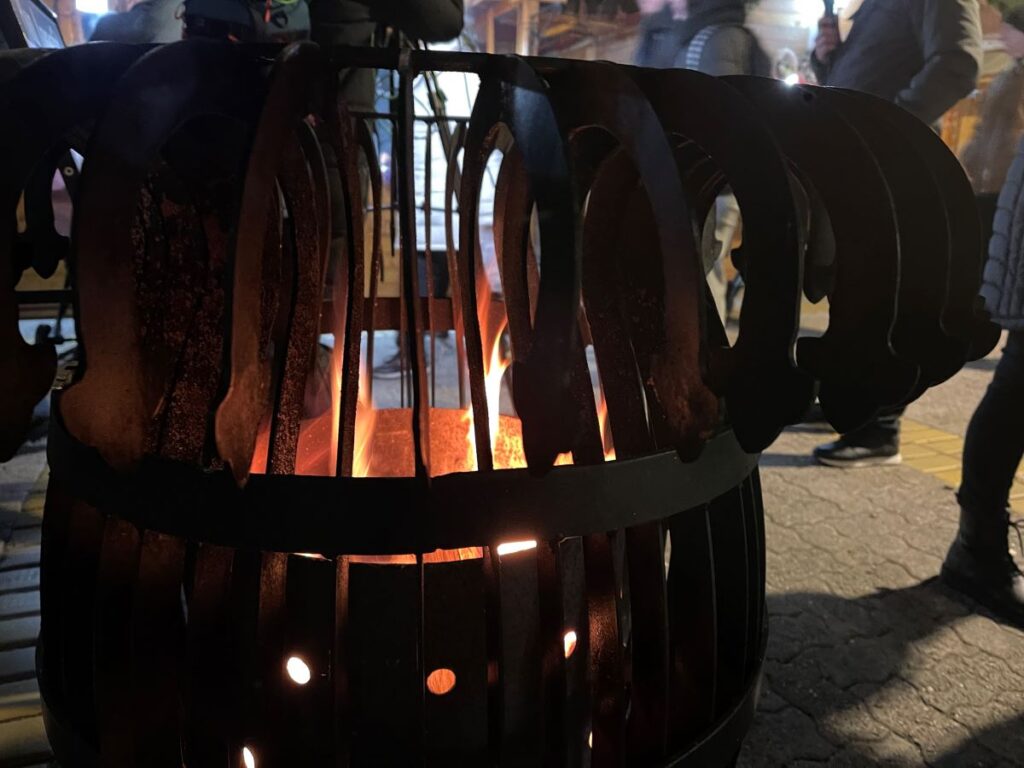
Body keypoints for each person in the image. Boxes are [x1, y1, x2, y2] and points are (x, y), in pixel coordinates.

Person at [810, 0, 983, 468]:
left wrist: (891, 123)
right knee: (851, 291)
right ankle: (846, 403)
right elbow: (869, 73)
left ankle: (879, 426)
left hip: (891, 167)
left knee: (884, 297)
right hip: (860, 162)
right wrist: (828, 59)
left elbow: (958, 63)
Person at [941, 4, 1024, 631]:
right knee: (1018, 385)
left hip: (1000, 201)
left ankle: (979, 543)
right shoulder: (1009, 78)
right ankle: (977, 543)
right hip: (1003, 205)